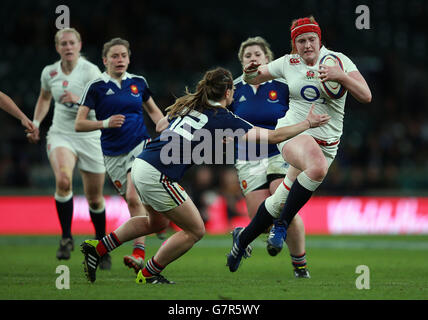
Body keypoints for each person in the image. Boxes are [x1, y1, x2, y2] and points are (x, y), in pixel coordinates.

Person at [79, 66, 330, 284]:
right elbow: (272, 137)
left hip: (143, 163)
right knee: (195, 230)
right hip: (158, 174)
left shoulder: (192, 105)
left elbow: (168, 127)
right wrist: (307, 124)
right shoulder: (223, 117)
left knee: (156, 223)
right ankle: (149, 273)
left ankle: (98, 247)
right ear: (229, 92)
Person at [226, 16, 372, 272]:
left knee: (280, 198)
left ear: (319, 40)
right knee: (316, 167)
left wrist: (342, 77)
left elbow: (366, 95)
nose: (307, 45)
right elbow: (253, 78)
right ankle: (282, 226)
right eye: (301, 40)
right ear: (294, 44)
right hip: (293, 132)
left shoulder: (338, 61)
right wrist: (250, 73)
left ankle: (242, 240)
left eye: (311, 39)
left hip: (328, 143)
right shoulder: (288, 62)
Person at [76, 38, 166, 274]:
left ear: (129, 58)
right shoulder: (96, 86)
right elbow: (79, 124)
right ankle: (154, 225)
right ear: (105, 60)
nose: (120, 60)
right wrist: (104, 122)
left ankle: (139, 254)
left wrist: (168, 130)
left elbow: (154, 112)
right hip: (112, 154)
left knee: (134, 198)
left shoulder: (138, 82)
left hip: (140, 144)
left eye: (123, 56)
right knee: (135, 203)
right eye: (114, 56)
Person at [26, 28, 111, 267]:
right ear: (57, 47)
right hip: (62, 134)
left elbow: (104, 104)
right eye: (63, 43)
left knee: (95, 199)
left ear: (79, 45)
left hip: (90, 135)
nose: (68, 47)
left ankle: (100, 245)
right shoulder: (49, 72)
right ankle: (66, 237)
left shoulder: (91, 71)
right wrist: (36, 122)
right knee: (63, 181)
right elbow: (44, 98)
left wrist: (80, 99)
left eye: (72, 42)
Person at [229, 36, 309, 278]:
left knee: (284, 204)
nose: (253, 59)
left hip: (280, 151)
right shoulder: (233, 89)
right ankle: (243, 235)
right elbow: (221, 118)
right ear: (242, 61)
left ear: (268, 59)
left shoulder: (283, 85)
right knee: (260, 222)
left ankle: (300, 267)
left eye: (258, 55)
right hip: (247, 157)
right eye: (248, 56)